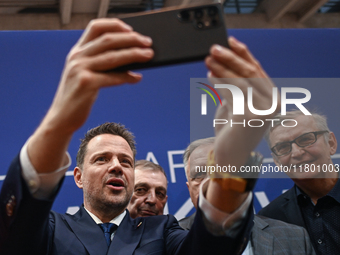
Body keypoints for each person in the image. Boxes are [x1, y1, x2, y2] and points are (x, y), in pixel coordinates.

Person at [0, 18, 264, 254]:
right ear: (78, 177)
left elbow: (211, 248)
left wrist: (235, 155)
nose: (116, 165)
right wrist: (61, 121)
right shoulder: (52, 227)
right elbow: (15, 229)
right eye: (102, 159)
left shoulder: (162, 230)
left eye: (126, 162)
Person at [179, 137, 316, 255]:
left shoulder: (294, 238)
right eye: (199, 175)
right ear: (189, 188)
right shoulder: (168, 240)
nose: (212, 182)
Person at [258, 110, 340, 255]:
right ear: (276, 161)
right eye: (283, 147)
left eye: (305, 139)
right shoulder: (270, 217)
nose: (296, 153)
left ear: (331, 143)